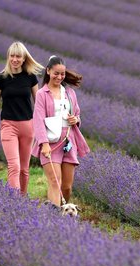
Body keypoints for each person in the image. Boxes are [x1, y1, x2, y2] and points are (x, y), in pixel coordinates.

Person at [0, 41, 42, 196]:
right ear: (8, 57)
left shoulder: (30, 77)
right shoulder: (1, 79)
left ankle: (22, 199)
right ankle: (14, 202)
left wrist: (44, 123)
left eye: (18, 56)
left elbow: (38, 103)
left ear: (24, 59)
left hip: (27, 126)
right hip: (8, 126)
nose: (15, 59)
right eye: (12, 56)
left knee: (24, 169)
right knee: (14, 166)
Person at [32, 55, 90, 207]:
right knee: (55, 182)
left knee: (67, 187)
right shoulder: (41, 94)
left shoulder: (70, 93)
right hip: (50, 143)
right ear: (48, 71)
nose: (59, 76)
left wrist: (75, 120)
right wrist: (43, 143)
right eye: (56, 73)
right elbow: (38, 120)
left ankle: (62, 214)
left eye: (62, 74)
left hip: (68, 142)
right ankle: (54, 218)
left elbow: (77, 114)